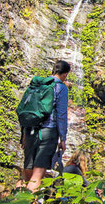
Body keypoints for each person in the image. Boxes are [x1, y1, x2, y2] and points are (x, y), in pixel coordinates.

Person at [22, 60, 70, 191]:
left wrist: (24, 134)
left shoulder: (38, 84)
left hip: (30, 130)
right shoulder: (61, 88)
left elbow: (27, 108)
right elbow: (61, 115)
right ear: (65, 75)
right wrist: (63, 138)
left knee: (26, 174)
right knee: (37, 176)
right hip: (48, 133)